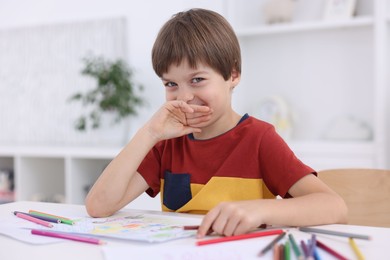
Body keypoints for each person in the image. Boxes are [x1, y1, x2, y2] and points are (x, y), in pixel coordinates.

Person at [85, 8, 347, 238]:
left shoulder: (259, 139)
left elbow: (334, 206)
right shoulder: (166, 143)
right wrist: (150, 132)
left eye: (197, 79)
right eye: (171, 84)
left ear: (232, 75)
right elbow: (98, 206)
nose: (185, 97)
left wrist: (261, 209)